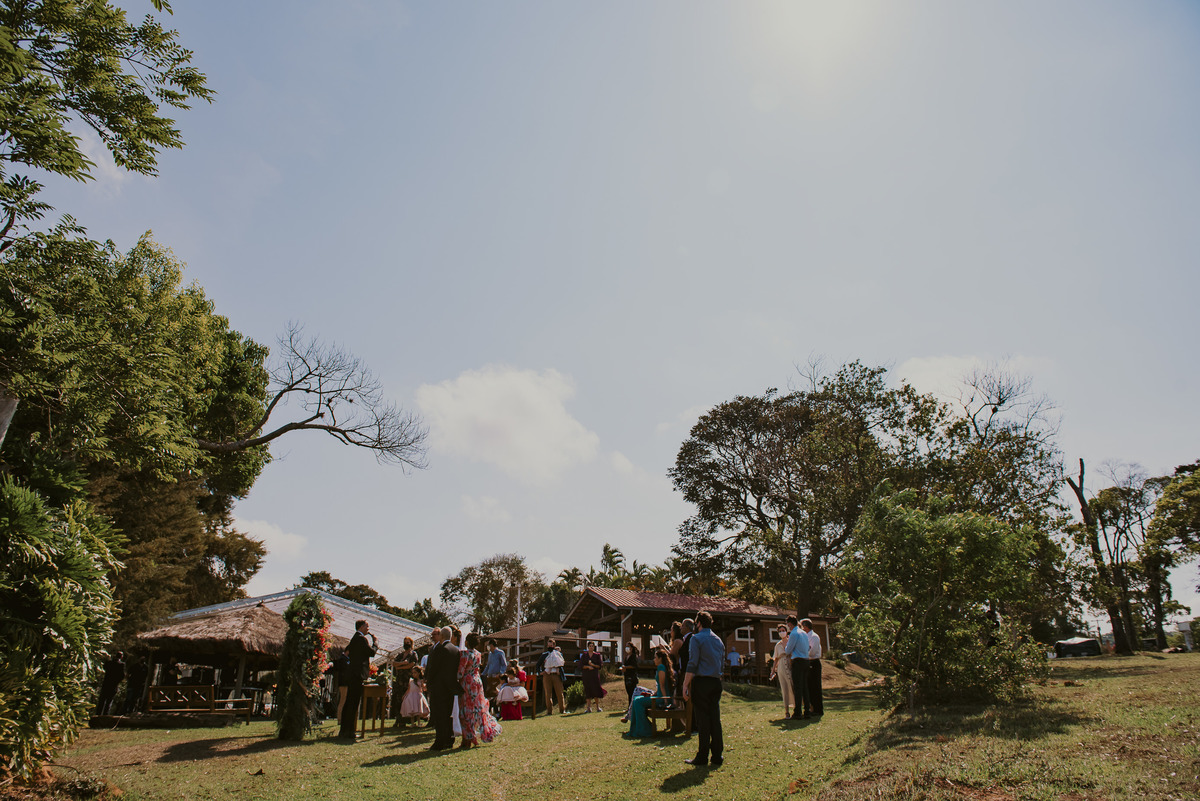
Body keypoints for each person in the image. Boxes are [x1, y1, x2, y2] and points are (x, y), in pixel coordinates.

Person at [682, 610, 724, 767]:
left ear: (698, 623)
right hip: (715, 681)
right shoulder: (718, 640)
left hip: (701, 682)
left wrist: (685, 684)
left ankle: (702, 755)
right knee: (715, 718)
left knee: (703, 720)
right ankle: (717, 755)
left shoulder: (696, 639)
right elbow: (721, 662)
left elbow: (692, 663)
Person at [457, 632, 501, 749]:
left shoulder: (464, 654)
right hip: (477, 681)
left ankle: (467, 738)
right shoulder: (478, 654)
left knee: (466, 710)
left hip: (467, 682)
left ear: (466, 642)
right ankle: (475, 733)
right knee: (477, 708)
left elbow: (460, 672)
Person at [338, 620, 378, 741]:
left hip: (353, 675)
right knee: (353, 703)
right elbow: (371, 652)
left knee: (350, 702)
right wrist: (375, 643)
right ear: (361, 627)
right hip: (357, 675)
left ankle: (345, 730)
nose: (368, 629)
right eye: (367, 626)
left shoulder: (354, 638)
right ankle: (349, 731)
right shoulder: (361, 639)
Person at [425, 626, 460, 750]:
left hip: (438, 686)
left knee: (439, 715)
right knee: (448, 714)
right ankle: (449, 739)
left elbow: (433, 668)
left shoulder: (439, 649)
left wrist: (428, 683)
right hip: (450, 687)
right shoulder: (455, 650)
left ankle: (439, 742)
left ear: (442, 636)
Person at [627, 648, 673, 738]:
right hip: (658, 696)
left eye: (655, 658)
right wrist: (653, 695)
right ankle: (638, 728)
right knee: (636, 699)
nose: (654, 660)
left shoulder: (661, 667)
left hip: (661, 698)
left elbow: (662, 686)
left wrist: (665, 701)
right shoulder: (661, 668)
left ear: (660, 659)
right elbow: (660, 687)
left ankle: (646, 729)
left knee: (638, 702)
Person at [784, 614, 812, 719]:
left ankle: (797, 712)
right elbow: (808, 647)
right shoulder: (804, 633)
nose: (788, 626)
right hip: (806, 660)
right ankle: (807, 710)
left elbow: (788, 650)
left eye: (788, 624)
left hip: (798, 661)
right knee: (805, 686)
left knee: (798, 687)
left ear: (790, 624)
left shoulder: (794, 634)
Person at [390, 636, 418, 727]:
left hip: (407, 680)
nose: (406, 644)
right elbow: (394, 663)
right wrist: (402, 663)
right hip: (399, 680)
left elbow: (411, 665)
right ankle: (398, 719)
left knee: (406, 699)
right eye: (405, 642)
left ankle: (406, 719)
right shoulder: (401, 654)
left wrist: (400, 667)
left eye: (408, 642)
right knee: (398, 699)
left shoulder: (413, 654)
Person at [769, 622, 794, 718]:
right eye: (780, 631)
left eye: (783, 631)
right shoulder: (777, 645)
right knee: (785, 688)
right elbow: (776, 659)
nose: (782, 632)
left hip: (790, 663)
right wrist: (773, 671)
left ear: (787, 631)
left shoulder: (791, 641)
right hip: (781, 667)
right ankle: (787, 711)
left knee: (793, 686)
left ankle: (798, 707)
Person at [536, 639, 566, 715]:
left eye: (551, 645)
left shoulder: (558, 654)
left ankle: (562, 710)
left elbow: (561, 663)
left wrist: (559, 670)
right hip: (547, 675)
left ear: (554, 645)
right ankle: (549, 711)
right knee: (548, 694)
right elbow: (538, 664)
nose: (549, 647)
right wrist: (540, 672)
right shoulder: (544, 655)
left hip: (556, 675)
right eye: (548, 645)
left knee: (559, 693)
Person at [802, 618, 824, 717]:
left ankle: (818, 709)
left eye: (803, 626)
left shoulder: (814, 637)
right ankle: (812, 708)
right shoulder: (805, 636)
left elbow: (812, 651)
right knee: (809, 687)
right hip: (807, 662)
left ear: (806, 626)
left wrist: (804, 652)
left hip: (814, 662)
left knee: (815, 687)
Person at [95, 651, 125, 716]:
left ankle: (98, 714)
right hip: (113, 685)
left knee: (102, 701)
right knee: (109, 702)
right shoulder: (121, 665)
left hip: (106, 684)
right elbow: (122, 676)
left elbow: (104, 667)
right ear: (121, 657)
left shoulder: (109, 663)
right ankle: (105, 715)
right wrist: (117, 682)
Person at [578, 641, 605, 713]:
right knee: (588, 691)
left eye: (592, 646)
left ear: (594, 647)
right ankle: (588, 708)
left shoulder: (597, 655)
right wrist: (587, 667)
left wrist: (592, 665)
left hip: (594, 675)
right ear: (588, 647)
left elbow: (599, 666)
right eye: (590, 646)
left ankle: (597, 707)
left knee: (596, 690)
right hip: (586, 675)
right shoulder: (584, 655)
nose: (591, 647)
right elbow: (580, 665)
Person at [619, 642, 640, 723]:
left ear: (631, 648)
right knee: (628, 692)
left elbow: (634, 666)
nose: (627, 648)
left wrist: (626, 667)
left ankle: (632, 708)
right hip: (626, 676)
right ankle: (629, 707)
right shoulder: (626, 657)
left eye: (628, 647)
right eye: (626, 647)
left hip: (632, 676)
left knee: (632, 692)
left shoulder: (633, 656)